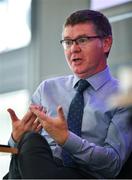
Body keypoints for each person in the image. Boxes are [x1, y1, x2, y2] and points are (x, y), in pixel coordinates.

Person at [7, 9, 132, 179]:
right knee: (30, 141)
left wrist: (66, 139)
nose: (73, 49)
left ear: (106, 43)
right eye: (67, 42)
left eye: (82, 40)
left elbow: (113, 164)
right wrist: (16, 137)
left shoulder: (124, 97)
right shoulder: (47, 89)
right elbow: (19, 153)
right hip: (36, 169)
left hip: (85, 176)